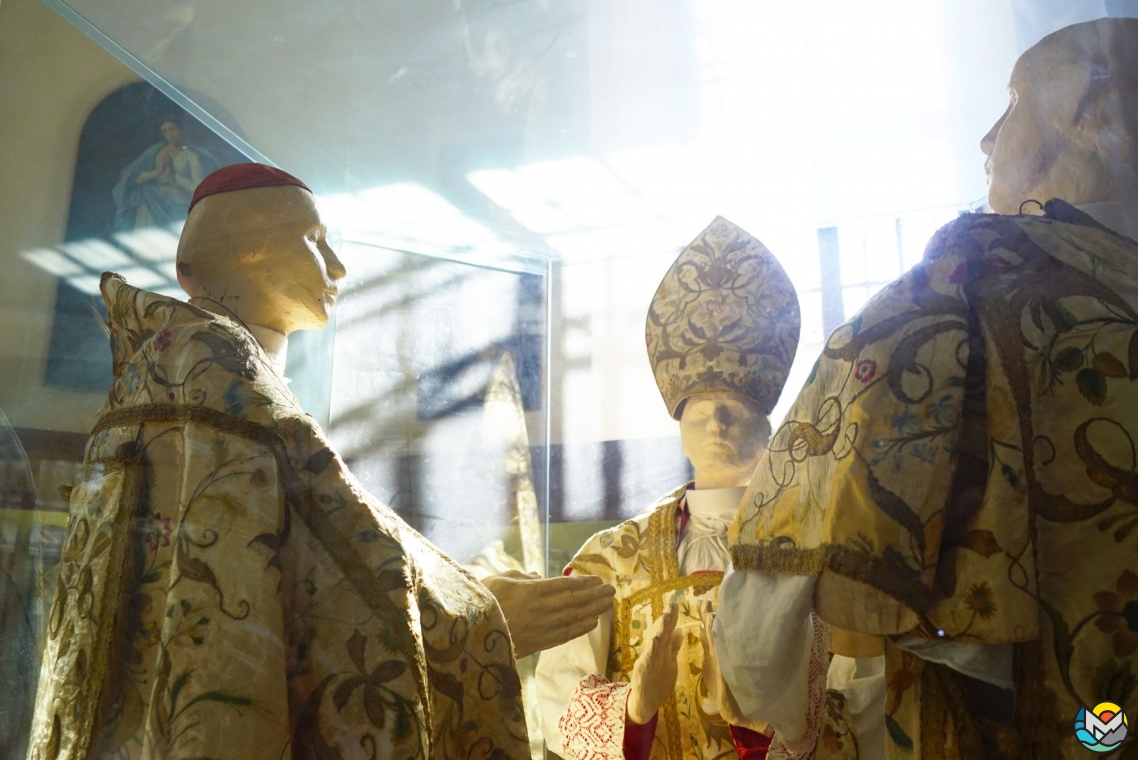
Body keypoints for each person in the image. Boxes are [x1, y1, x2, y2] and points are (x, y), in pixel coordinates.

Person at [28, 163, 614, 760]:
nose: (337, 266)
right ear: (240, 249)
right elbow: (345, 577)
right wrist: (478, 620)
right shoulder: (236, 394)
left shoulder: (149, 385)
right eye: (314, 241)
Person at [711, 18, 1138, 760]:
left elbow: (758, 651)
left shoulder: (962, 286)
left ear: (1088, 116)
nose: (987, 140)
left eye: (1013, 103)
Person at [535, 217, 800, 760]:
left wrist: (772, 720)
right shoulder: (607, 562)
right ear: (677, 426)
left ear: (768, 427)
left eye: (733, 409)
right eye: (700, 411)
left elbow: (860, 693)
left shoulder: (815, 554)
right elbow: (557, 703)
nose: (718, 424)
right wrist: (635, 708)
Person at [112, 116, 219, 231]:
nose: (170, 135)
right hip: (152, 205)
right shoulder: (155, 152)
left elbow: (198, 189)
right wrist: (157, 173)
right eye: (165, 131)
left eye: (172, 129)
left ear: (181, 129)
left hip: (176, 206)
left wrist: (176, 178)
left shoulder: (191, 156)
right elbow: (134, 177)